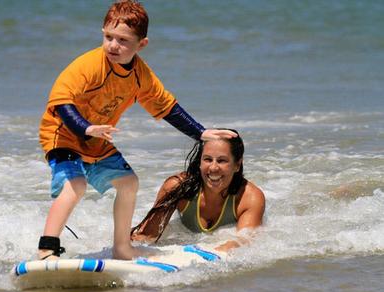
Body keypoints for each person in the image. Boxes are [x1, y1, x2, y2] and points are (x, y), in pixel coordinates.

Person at [37, 0, 237, 260]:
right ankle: (47, 249)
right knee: (76, 185)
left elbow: (167, 107)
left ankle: (122, 248)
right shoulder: (88, 65)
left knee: (129, 183)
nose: (113, 45)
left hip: (97, 141)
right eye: (108, 37)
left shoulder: (141, 75)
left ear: (141, 44)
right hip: (62, 134)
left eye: (123, 40)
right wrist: (87, 128)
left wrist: (200, 133)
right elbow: (62, 102)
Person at [131, 130, 265, 253]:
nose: (213, 167)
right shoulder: (178, 187)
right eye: (207, 159)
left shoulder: (249, 198)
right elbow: (146, 235)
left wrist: (215, 252)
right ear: (200, 162)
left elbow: (244, 242)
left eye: (222, 160)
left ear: (237, 165)